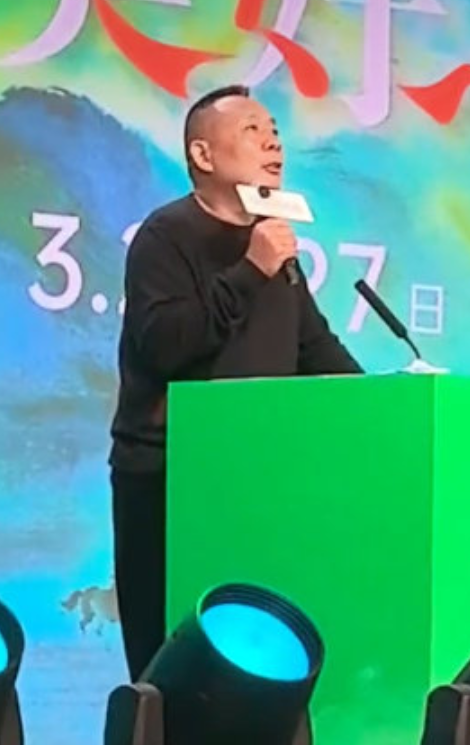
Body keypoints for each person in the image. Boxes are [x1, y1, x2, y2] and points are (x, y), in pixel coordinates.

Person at [109, 84, 362, 680]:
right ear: (202, 154)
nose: (273, 143)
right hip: (169, 480)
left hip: (260, 481)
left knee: (253, 665)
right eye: (252, 130)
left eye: (275, 131)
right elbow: (165, 344)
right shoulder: (166, 236)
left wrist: (384, 402)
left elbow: (314, 348)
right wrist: (251, 270)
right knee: (169, 668)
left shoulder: (273, 247)